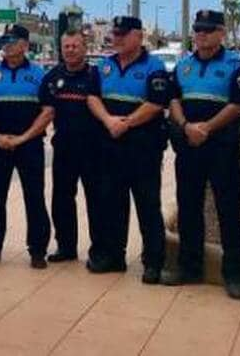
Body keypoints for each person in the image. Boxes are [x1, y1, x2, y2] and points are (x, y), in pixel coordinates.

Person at [162, 10, 240, 299]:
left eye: (208, 30)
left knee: (228, 211)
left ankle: (234, 275)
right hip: (189, 148)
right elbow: (173, 98)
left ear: (221, 33)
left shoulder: (235, 66)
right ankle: (190, 268)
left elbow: (238, 105)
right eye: (198, 30)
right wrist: (187, 126)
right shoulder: (184, 65)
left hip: (221, 149)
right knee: (189, 209)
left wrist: (207, 129)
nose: (201, 35)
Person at [87, 16, 171, 283]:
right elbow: (92, 97)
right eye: (115, 34)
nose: (118, 38)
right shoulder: (104, 66)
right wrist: (108, 120)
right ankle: (114, 256)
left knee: (147, 206)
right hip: (110, 145)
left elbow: (157, 103)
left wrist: (127, 123)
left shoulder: (154, 67)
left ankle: (153, 263)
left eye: (124, 34)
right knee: (113, 204)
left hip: (143, 148)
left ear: (139, 36)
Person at [0, 24, 52, 269]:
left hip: (29, 145)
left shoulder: (40, 75)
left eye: (12, 40)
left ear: (25, 45)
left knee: (34, 197)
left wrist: (23, 138)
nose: (7, 45)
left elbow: (48, 111)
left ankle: (38, 250)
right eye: (4, 40)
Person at [39, 30, 107, 266]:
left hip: (93, 148)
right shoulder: (52, 77)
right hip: (64, 147)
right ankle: (66, 247)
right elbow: (45, 111)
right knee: (62, 199)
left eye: (75, 46)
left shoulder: (96, 76)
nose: (70, 50)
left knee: (96, 200)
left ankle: (99, 250)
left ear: (84, 48)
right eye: (66, 46)